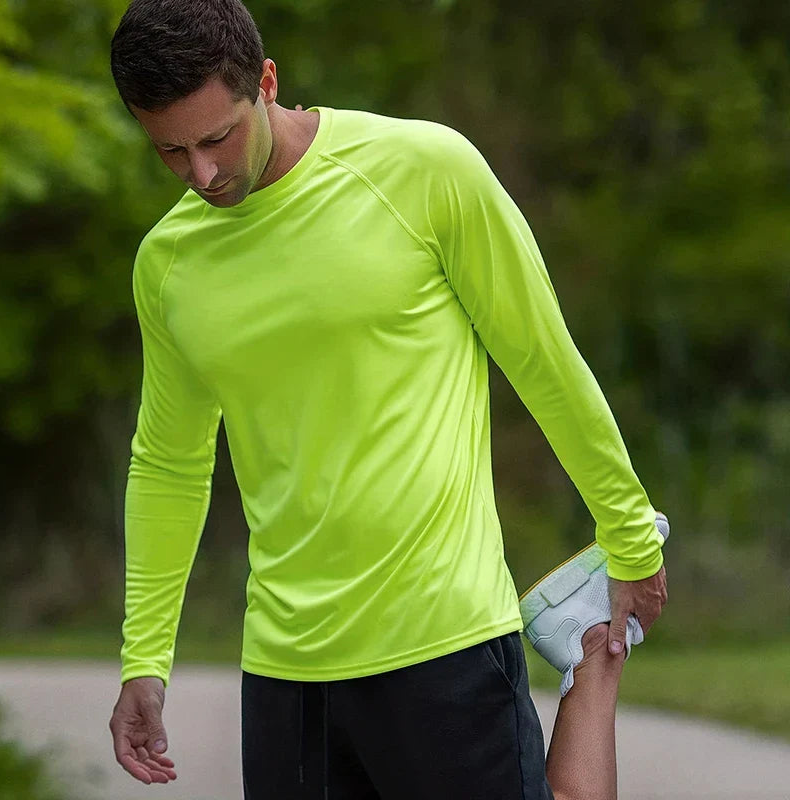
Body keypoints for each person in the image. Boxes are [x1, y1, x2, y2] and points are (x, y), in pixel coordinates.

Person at [107, 2, 668, 798]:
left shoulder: (425, 170)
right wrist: (144, 661)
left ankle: (592, 679)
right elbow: (169, 462)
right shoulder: (167, 265)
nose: (201, 174)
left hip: (444, 647)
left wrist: (630, 536)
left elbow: (544, 363)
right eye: (170, 151)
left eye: (216, 137)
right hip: (285, 678)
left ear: (266, 82)